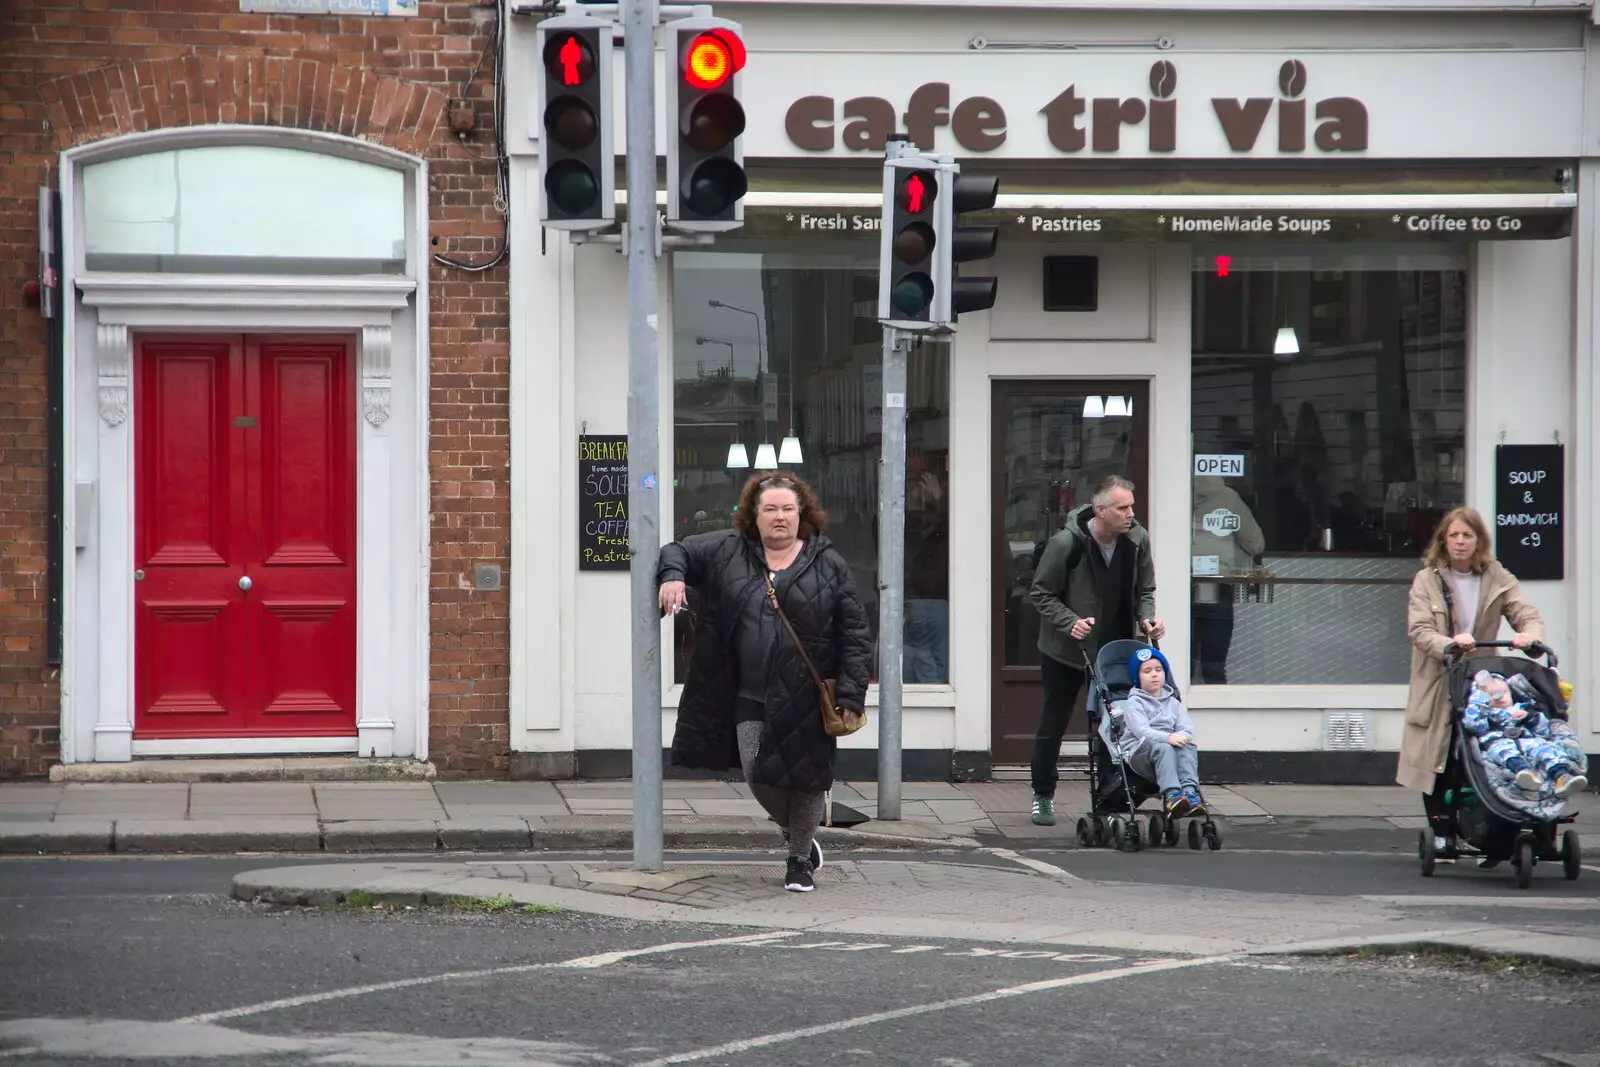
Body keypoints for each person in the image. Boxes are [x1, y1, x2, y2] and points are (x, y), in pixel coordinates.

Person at [658, 471, 872, 893]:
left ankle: (798, 862)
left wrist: (851, 692)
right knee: (759, 774)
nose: (779, 517)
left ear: (802, 513)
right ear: (752, 516)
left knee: (807, 779)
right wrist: (673, 577)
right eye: (770, 509)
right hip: (747, 691)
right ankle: (801, 838)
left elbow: (855, 633)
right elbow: (676, 550)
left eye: (788, 509)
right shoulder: (726, 551)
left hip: (807, 694)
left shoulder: (827, 562)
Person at [1399, 506, 1545, 857]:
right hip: (1439, 679)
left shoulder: (1495, 576)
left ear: (1479, 540)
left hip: (1481, 680)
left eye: (1468, 535)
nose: (1461, 542)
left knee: (1489, 753)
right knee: (1440, 759)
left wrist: (1529, 634)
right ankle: (1442, 829)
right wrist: (1448, 643)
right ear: (1443, 541)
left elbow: (1524, 611)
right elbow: (1420, 630)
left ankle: (1494, 826)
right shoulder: (1428, 579)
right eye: (1454, 536)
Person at [1026, 474, 1163, 826]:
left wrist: (1147, 620)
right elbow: (1041, 593)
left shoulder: (1137, 539)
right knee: (1053, 721)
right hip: (1066, 649)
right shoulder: (1065, 544)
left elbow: (1146, 588)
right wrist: (1068, 621)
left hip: (1114, 650)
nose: (1131, 513)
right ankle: (1042, 794)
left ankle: (1110, 792)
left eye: (1131, 506)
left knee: (1114, 721)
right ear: (1101, 511)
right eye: (1123, 507)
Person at [1461, 670, 1587, 796]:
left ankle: (1562, 776)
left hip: (1528, 740)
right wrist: (1479, 701)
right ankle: (1524, 773)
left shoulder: (1524, 708)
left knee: (1548, 748)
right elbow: (1473, 726)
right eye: (1492, 694)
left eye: (1504, 692)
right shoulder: (1484, 713)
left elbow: (1543, 731)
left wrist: (1529, 717)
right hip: (1499, 742)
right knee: (1503, 751)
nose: (1500, 696)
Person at [1190, 475, 1265, 685]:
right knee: (1214, 665)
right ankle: (1216, 710)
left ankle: (1175, 709)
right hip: (1218, 584)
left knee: (1180, 661)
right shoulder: (1229, 498)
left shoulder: (1174, 493)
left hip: (1182, 584)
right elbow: (1255, 543)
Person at [1116, 647, 1206, 817]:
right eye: (1147, 671)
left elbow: (1185, 727)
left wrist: (1182, 738)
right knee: (1165, 748)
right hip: (1140, 752)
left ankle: (1189, 792)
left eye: (1159, 670)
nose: (1154, 674)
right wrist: (1168, 738)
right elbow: (1142, 731)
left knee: (1187, 747)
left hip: (1167, 748)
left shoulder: (1173, 702)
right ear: (1138, 678)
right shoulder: (1135, 703)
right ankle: (1172, 795)